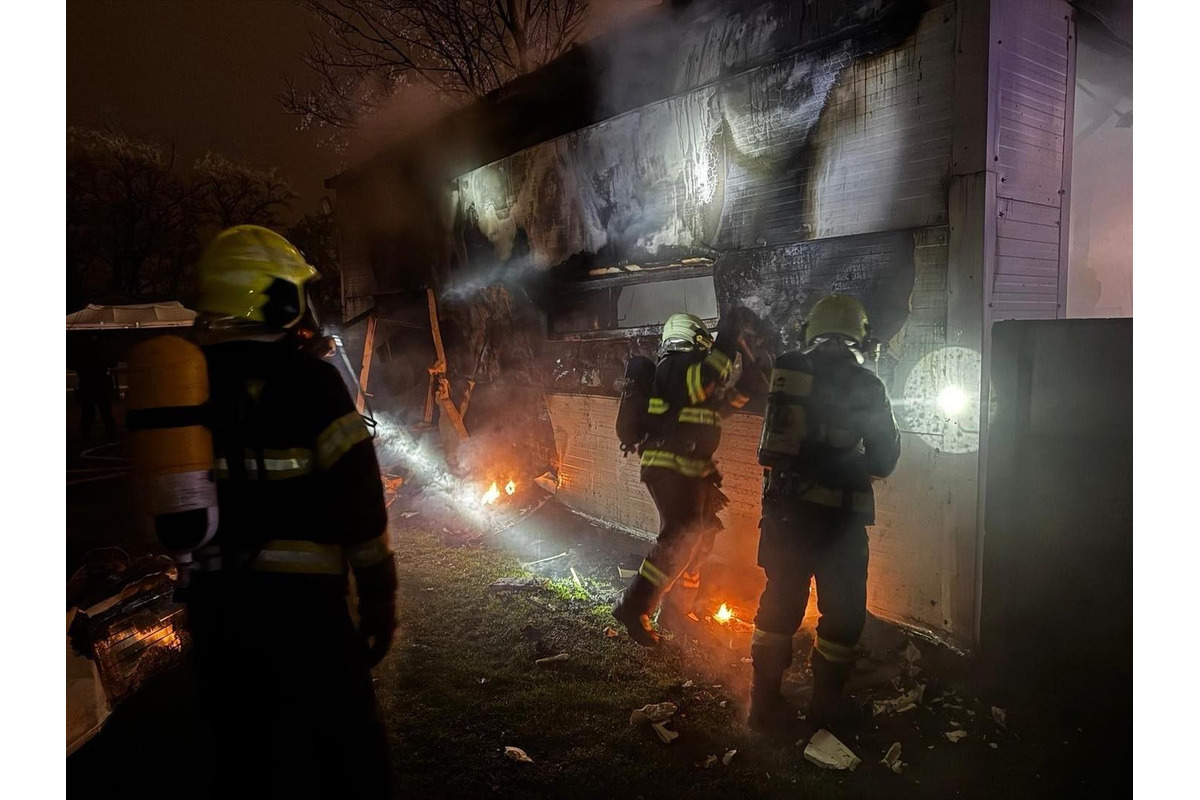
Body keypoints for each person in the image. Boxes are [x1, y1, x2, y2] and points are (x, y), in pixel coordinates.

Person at [186, 225, 397, 796]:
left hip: (216, 614)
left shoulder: (188, 385)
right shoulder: (311, 381)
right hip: (306, 616)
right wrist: (378, 597)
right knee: (346, 758)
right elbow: (359, 503)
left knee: (245, 757)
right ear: (277, 299)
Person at [747, 294, 901, 735]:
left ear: (810, 332)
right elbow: (884, 461)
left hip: (785, 517)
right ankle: (826, 706)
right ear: (861, 337)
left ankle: (763, 707)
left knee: (780, 603)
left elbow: (770, 450)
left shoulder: (789, 372)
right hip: (840, 524)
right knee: (843, 615)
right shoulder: (867, 385)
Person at [612, 307, 767, 647]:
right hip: (671, 466)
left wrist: (754, 369)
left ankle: (677, 611)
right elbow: (708, 377)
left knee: (700, 538)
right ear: (695, 339)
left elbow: (726, 403)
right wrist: (728, 337)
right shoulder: (674, 367)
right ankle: (632, 605)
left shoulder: (689, 378)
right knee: (680, 536)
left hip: (694, 471)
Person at [75, 333, 117, 441]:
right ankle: (110, 434)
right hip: (100, 381)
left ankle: (86, 436)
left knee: (89, 412)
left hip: (88, 382)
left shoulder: (82, 344)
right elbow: (112, 361)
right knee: (105, 411)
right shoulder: (104, 342)